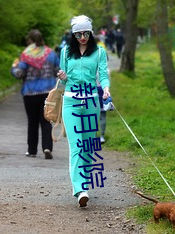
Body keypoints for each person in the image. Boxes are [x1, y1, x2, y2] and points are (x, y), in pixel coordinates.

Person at [57, 15, 110, 207]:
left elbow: (103, 74)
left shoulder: (99, 52)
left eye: (86, 33)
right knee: (76, 146)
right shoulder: (65, 52)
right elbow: (63, 81)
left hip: (91, 103)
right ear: (73, 34)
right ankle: (79, 189)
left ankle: (85, 183)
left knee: (88, 147)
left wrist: (105, 88)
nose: (82, 37)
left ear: (91, 32)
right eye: (78, 34)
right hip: (70, 102)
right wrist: (62, 76)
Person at [11, 29, 60, 159]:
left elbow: (19, 74)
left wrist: (14, 67)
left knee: (32, 122)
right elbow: (58, 71)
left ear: (30, 41)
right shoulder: (51, 54)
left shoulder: (26, 55)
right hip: (47, 93)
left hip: (30, 93)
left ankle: (32, 150)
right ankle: (47, 147)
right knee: (46, 121)